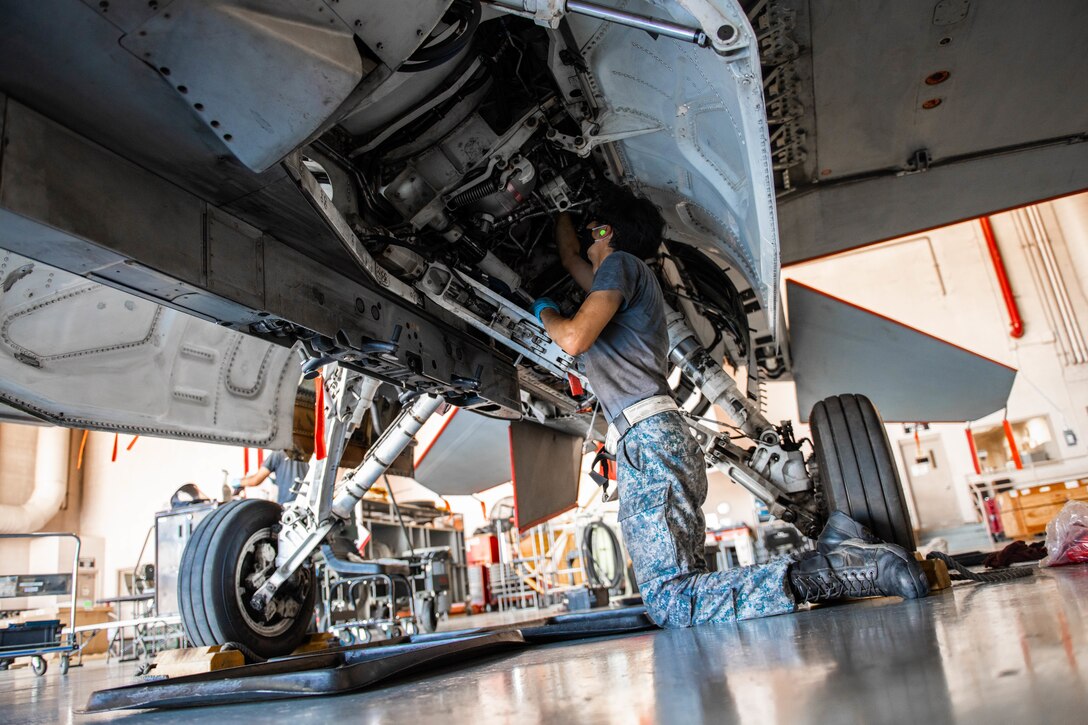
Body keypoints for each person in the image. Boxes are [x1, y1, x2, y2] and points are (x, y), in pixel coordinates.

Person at [532, 183, 927, 627]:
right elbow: (570, 259)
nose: (585, 242)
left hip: (649, 440)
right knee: (680, 586)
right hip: (653, 438)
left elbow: (573, 337)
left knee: (673, 601)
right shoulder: (620, 279)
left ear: (606, 232)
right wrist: (558, 212)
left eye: (591, 233)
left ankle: (836, 570)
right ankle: (841, 541)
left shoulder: (621, 266)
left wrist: (544, 310)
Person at [232, 449, 310, 505]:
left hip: (287, 505)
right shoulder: (309, 452)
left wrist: (238, 482)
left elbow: (256, 480)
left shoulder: (279, 453)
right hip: (307, 504)